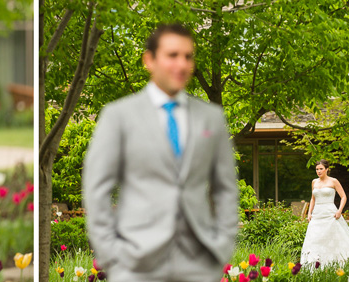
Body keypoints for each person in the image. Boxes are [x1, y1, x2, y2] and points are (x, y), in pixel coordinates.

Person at [82, 23, 239, 281]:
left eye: (188, 56)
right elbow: (96, 188)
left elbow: (226, 188)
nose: (182, 64)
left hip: (199, 263)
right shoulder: (118, 116)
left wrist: (221, 247)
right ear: (149, 60)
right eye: (172, 55)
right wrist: (110, 254)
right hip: (135, 263)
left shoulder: (211, 118)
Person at [300, 160, 349, 266]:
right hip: (317, 215)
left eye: (321, 169)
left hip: (330, 214)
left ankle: (337, 263)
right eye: (317, 169)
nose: (319, 171)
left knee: (334, 238)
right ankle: (315, 264)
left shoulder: (333, 181)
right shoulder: (314, 182)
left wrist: (339, 211)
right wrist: (309, 213)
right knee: (315, 238)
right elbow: (313, 198)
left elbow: (343, 197)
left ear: (327, 169)